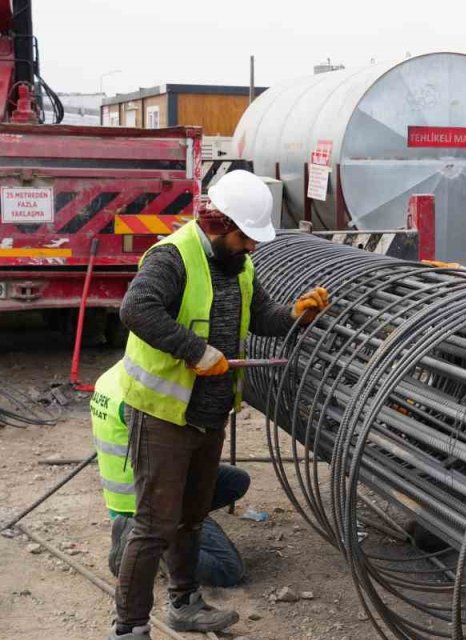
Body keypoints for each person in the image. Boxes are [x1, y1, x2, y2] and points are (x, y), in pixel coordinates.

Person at [106, 170, 329, 640]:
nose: (251, 248)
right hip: (165, 414)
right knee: (154, 525)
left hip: (209, 413)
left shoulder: (238, 265)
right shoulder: (172, 258)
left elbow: (262, 317)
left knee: (191, 517)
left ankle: (185, 604)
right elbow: (136, 310)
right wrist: (196, 351)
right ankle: (128, 629)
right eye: (245, 238)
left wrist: (296, 314)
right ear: (217, 224)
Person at [91, 366, 249, 588]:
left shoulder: (113, 376)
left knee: (235, 481)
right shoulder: (147, 396)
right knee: (228, 570)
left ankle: (143, 530)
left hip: (129, 489)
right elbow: (173, 462)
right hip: (148, 500)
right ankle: (152, 544)